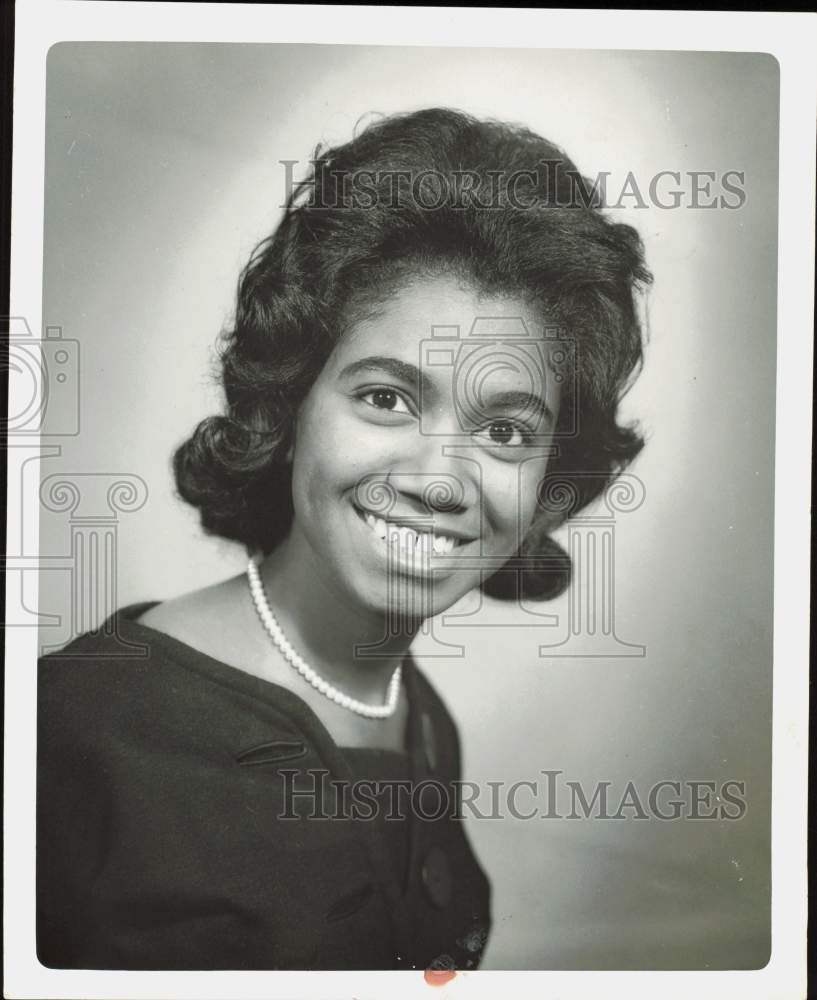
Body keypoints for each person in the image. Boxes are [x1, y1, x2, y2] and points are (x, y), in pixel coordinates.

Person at [36, 107, 651, 970]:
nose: (439, 479)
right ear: (290, 403)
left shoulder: (419, 718)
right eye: (387, 398)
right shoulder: (75, 731)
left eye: (506, 432)